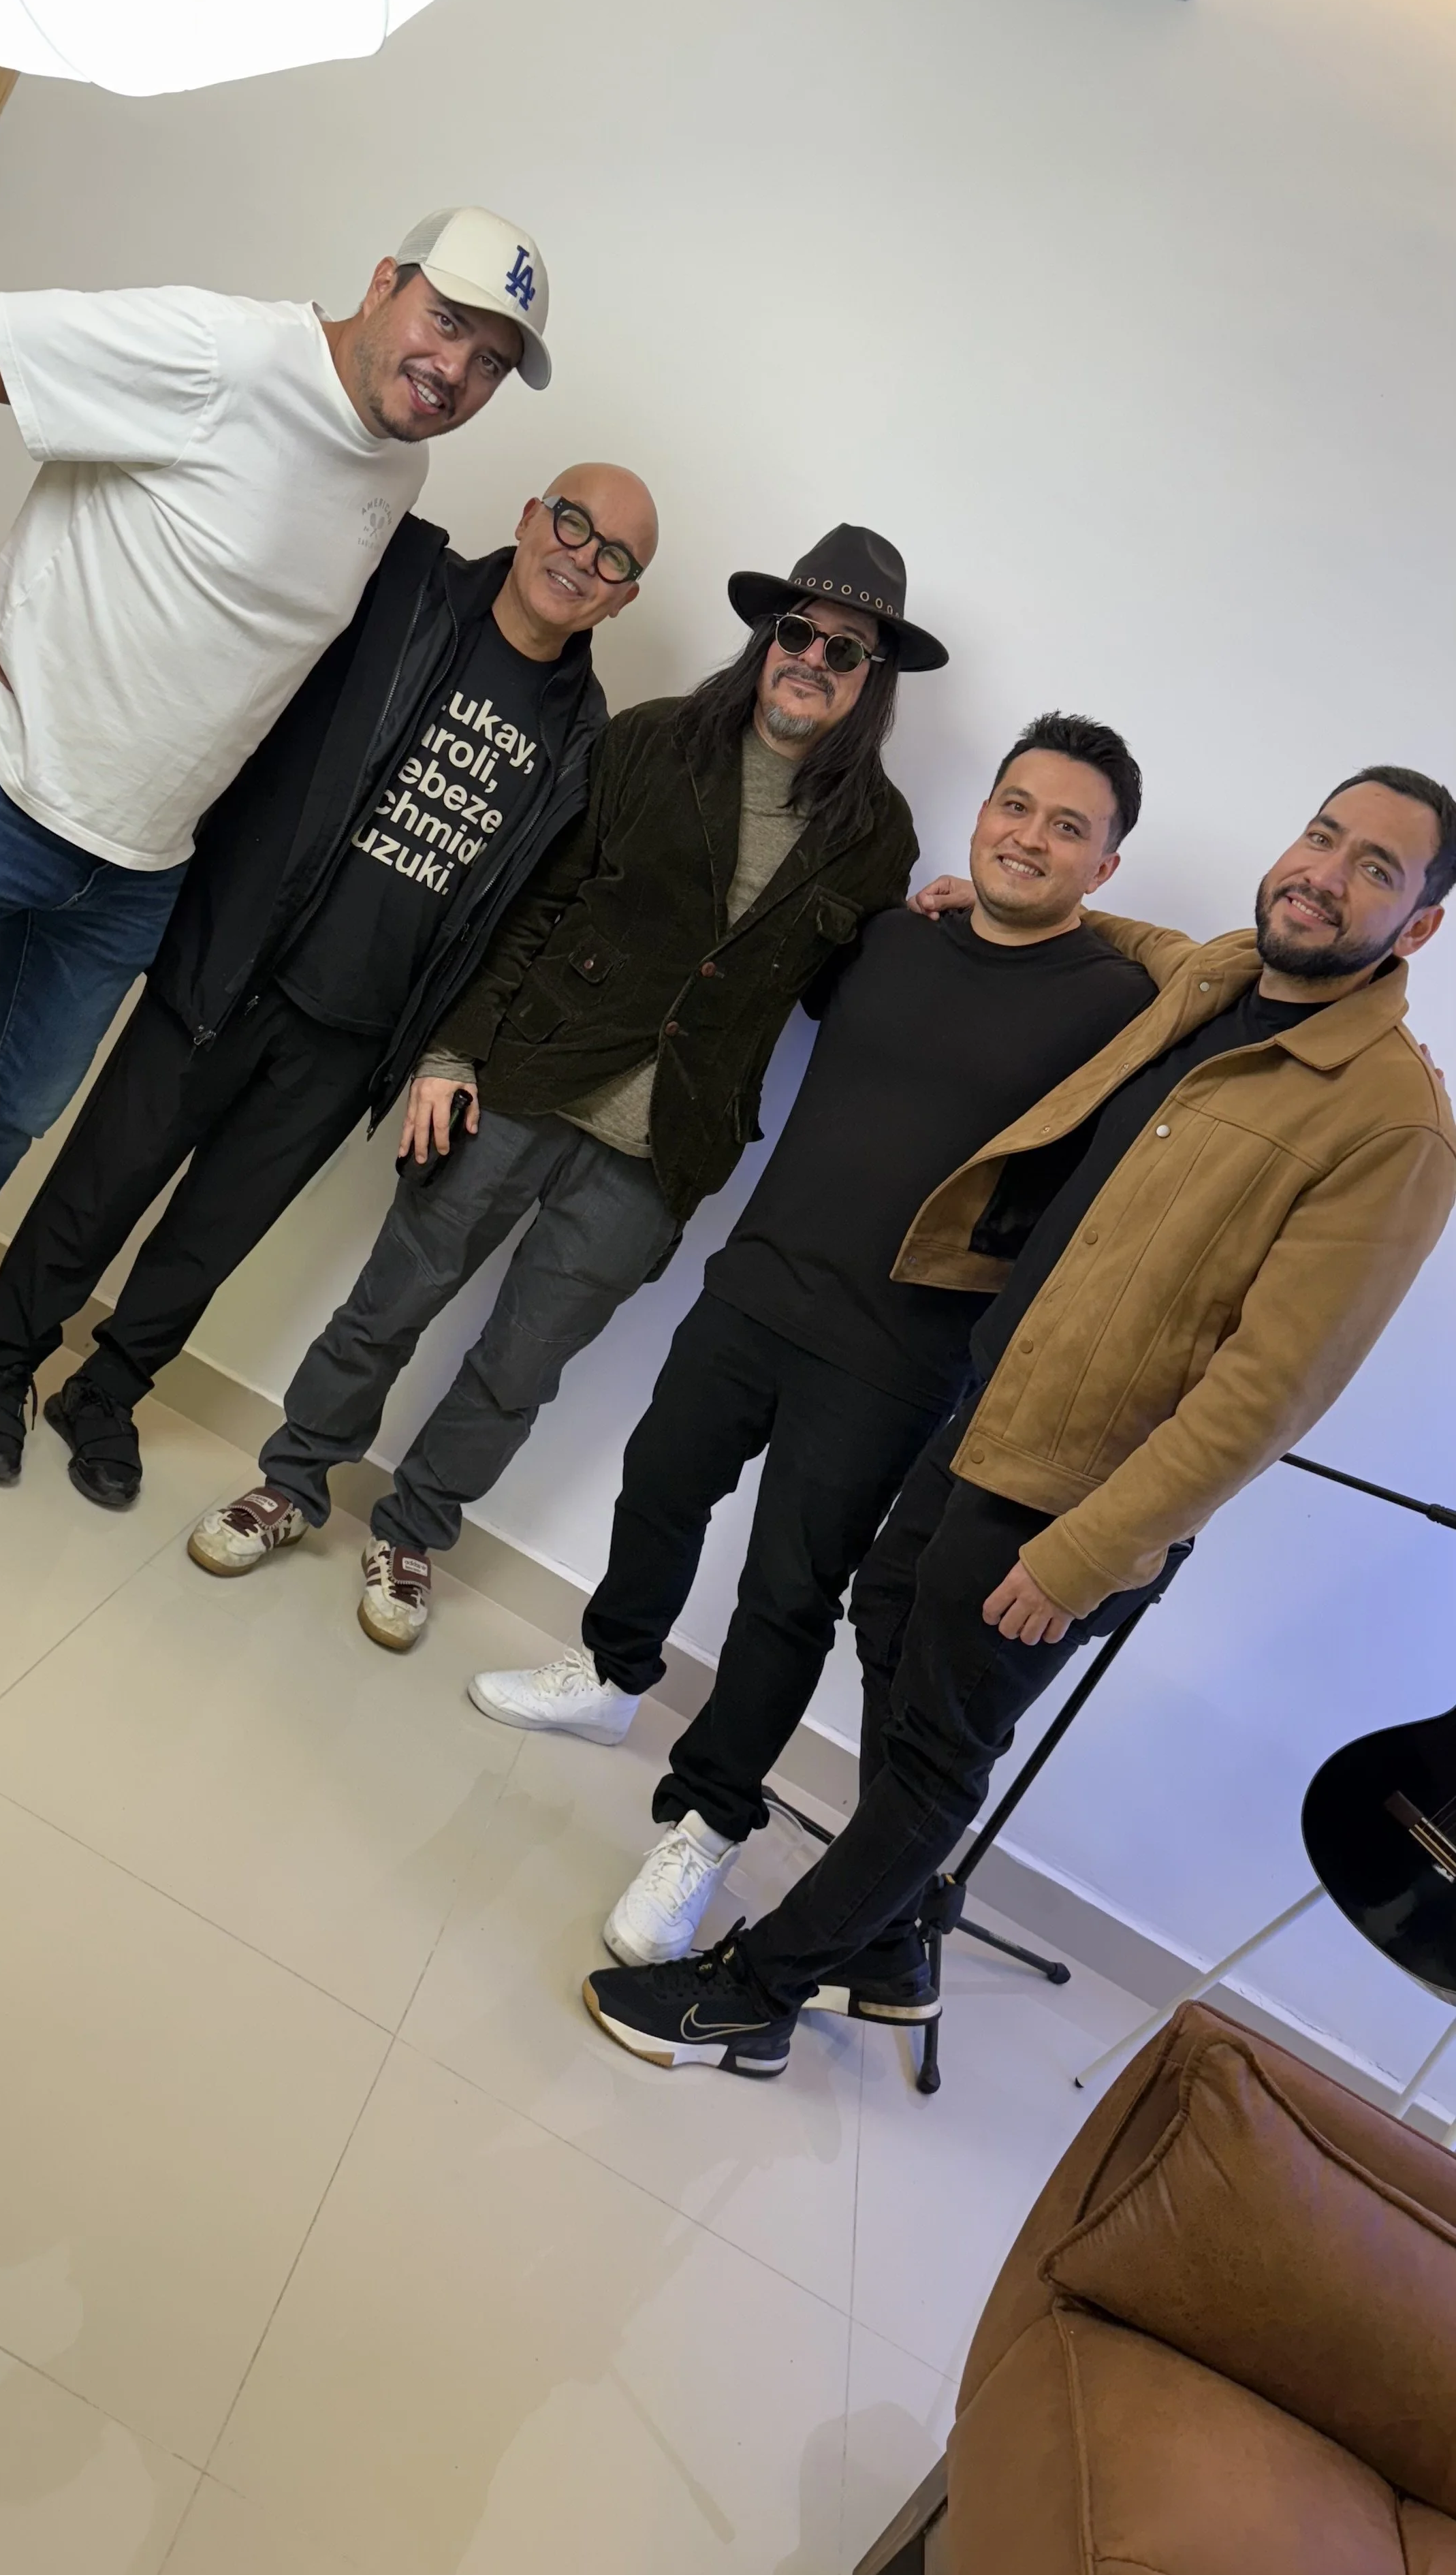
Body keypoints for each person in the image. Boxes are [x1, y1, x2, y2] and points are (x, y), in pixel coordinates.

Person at [582, 763, 1456, 2074]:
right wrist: (1004, 894)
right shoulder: (1221, 976)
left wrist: (1093, 1553)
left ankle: (757, 1994)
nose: (1327, 875)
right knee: (888, 1617)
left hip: (1083, 1491)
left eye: (1378, 870)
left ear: (1422, 926)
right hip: (993, 1406)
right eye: (1323, 838)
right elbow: (1128, 932)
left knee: (939, 1744)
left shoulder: (1394, 1124)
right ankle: (886, 1956)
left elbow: (1272, 1390)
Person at [471, 712, 1160, 1972]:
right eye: (1017, 806)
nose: (1031, 837)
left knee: (785, 1593)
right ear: (984, 813)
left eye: (1071, 828)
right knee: (660, 1482)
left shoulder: (1119, 1006)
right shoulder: (896, 935)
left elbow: (1203, 994)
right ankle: (615, 1671)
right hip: (757, 1286)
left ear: (1105, 870)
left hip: (898, 1354)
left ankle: (706, 1821)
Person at [185, 525, 945, 1654]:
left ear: (871, 680)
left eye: (847, 650)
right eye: (798, 632)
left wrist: (931, 941)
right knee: (389, 1304)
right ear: (765, 638)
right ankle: (293, 1483)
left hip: (663, 1149)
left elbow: (831, 995)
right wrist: (452, 1054)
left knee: (518, 1368)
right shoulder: (650, 744)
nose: (813, 661)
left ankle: (415, 1533)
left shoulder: (876, 835)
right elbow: (530, 908)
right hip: (527, 1081)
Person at [0, 204, 550, 1476]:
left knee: (5, 1113)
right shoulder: (218, 353)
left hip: (134, 869)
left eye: (489, 362)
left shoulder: (396, 469)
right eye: (446, 324)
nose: (456, 371)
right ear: (382, 282)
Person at [0, 466, 655, 1506]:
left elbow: (517, 909)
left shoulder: (581, 732)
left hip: (357, 1039)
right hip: (235, 960)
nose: (582, 559)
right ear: (531, 515)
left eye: (615, 559)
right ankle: (0, 1361)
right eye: (574, 524)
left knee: (208, 1241)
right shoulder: (405, 587)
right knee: (101, 1181)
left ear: (625, 596)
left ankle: (107, 1393)